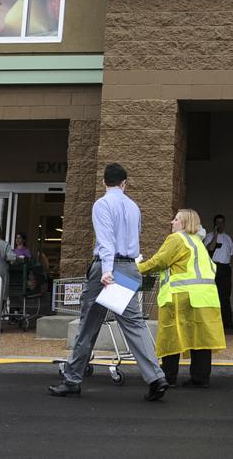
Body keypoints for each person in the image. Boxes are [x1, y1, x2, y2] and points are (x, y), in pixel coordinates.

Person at [48, 163, 169, 401]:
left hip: (108, 268)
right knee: (134, 325)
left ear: (104, 182)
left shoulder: (102, 204)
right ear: (125, 183)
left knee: (89, 324)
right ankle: (156, 377)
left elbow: (105, 239)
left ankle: (72, 379)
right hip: (129, 268)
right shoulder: (134, 207)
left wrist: (105, 270)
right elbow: (134, 238)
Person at [139, 208, 226, 388]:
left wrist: (136, 268)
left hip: (181, 297)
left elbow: (159, 261)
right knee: (200, 338)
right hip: (205, 297)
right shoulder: (197, 242)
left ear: (184, 223)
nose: (172, 222)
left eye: (176, 219)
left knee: (171, 335)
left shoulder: (177, 239)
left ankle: (168, 377)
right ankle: (200, 378)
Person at [204, 213, 233, 330]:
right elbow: (211, 248)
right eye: (217, 223)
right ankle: (214, 323)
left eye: (221, 223)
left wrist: (230, 265)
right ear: (214, 224)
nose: (220, 225)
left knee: (225, 296)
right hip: (213, 268)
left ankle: (227, 322)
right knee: (213, 296)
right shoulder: (209, 236)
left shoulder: (228, 238)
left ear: (224, 224)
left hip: (225, 269)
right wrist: (215, 234)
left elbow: (232, 252)